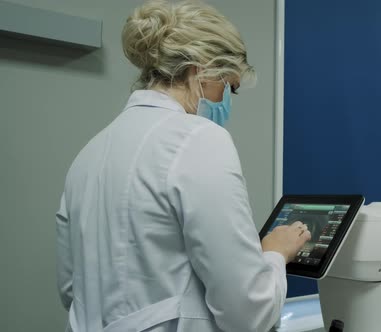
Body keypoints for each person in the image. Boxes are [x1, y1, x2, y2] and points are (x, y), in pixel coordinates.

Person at [55, 1, 311, 331]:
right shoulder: (199, 140)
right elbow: (248, 312)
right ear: (200, 71)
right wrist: (275, 254)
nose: (228, 100)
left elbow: (70, 288)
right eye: (229, 87)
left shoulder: (91, 152)